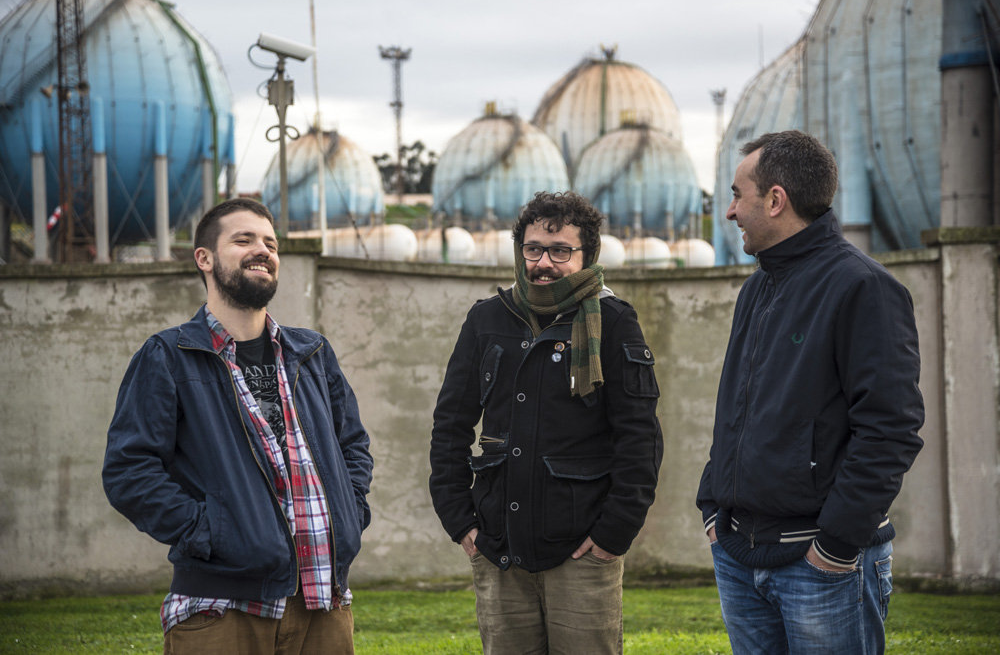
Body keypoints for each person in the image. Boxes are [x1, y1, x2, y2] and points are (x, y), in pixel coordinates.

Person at [103, 198, 373, 654]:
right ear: (204, 258)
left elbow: (353, 447)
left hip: (323, 605)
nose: (262, 250)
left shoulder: (311, 353)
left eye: (270, 243)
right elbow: (129, 471)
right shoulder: (168, 356)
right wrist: (210, 532)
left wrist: (350, 513)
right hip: (221, 610)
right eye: (243, 240)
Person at [697, 131, 925, 654]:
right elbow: (736, 409)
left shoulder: (863, 287)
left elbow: (891, 429)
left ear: (776, 200)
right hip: (739, 555)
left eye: (737, 195)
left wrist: (835, 546)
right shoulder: (757, 288)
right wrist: (712, 508)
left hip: (821, 567)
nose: (729, 212)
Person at [429, 191, 663, 654]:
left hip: (583, 552)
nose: (543, 264)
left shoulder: (614, 322)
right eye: (534, 249)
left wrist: (613, 535)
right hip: (498, 546)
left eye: (560, 251)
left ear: (586, 255)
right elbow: (450, 425)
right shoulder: (487, 319)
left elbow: (639, 439)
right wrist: (460, 522)